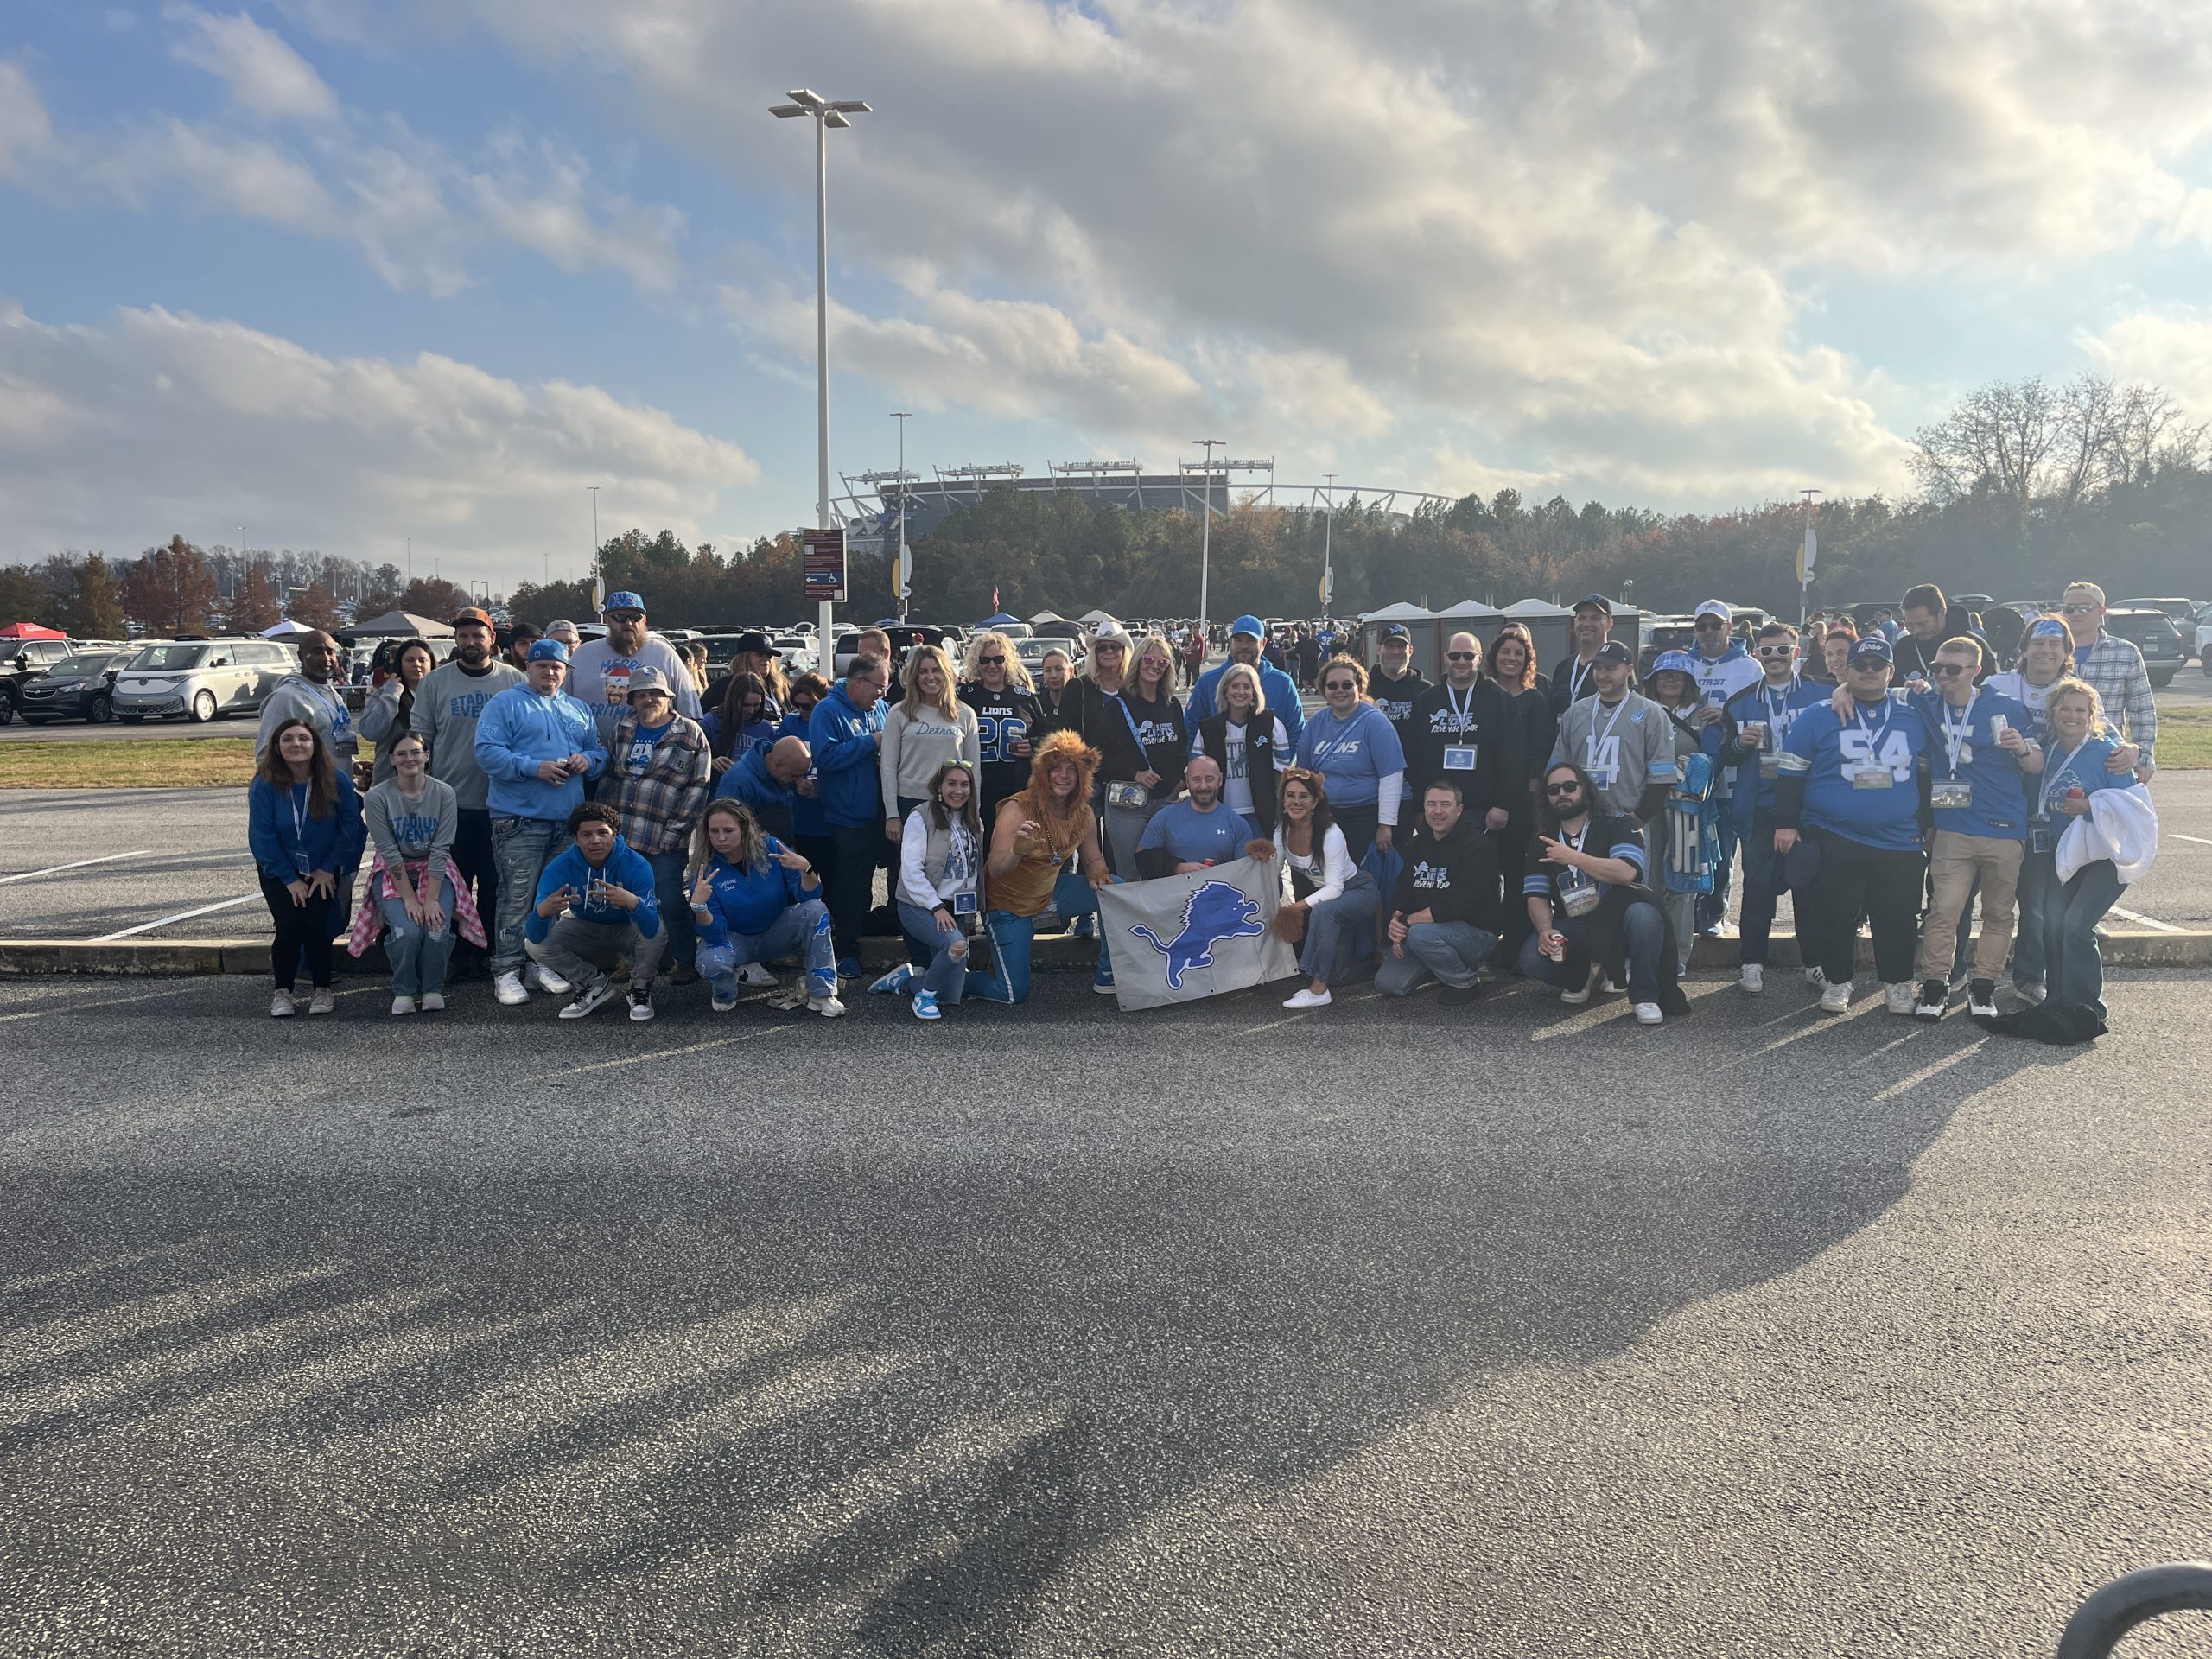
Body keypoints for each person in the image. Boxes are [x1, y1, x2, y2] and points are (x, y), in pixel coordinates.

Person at [1775, 635, 1931, 1015]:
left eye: (1878, 665)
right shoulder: (1819, 714)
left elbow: (1928, 774)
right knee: (1835, 914)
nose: (1869, 671)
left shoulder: (1915, 711)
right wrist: (1786, 823)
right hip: (1835, 831)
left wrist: (1929, 823)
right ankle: (1838, 981)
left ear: (1891, 671)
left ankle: (1897, 983)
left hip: (1900, 837)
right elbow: (1790, 771)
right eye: (1861, 665)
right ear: (1847, 670)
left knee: (1898, 915)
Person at [1993, 679, 2145, 1040]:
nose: (2072, 715)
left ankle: (2089, 1007)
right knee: (2053, 924)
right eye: (2065, 708)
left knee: (2076, 925)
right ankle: (2059, 1000)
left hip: (2102, 855)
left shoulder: (2109, 753)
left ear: (2092, 716)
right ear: (2053, 713)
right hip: (2061, 853)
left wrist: (2090, 805)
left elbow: (2133, 807)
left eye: (2080, 710)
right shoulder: (2045, 750)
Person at [1903, 636, 2041, 1021]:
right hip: (1953, 826)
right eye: (1937, 667)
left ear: (1976, 671)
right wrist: (1844, 689)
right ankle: (1935, 986)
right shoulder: (1927, 700)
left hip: (2003, 826)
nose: (1942, 675)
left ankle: (1984, 988)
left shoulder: (2006, 706)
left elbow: (2036, 765)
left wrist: (2022, 748)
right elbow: (1871, 688)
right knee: (1943, 911)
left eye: (1952, 669)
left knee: (1998, 914)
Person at [474, 637, 607, 1007]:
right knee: (516, 897)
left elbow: (599, 751)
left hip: (567, 821)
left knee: (553, 898)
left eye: (557, 666)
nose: (550, 671)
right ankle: (505, 970)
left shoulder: (578, 708)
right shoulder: (505, 704)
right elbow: (487, 753)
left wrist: (587, 760)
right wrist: (535, 768)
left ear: (566, 671)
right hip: (520, 819)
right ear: (528, 667)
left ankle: (539, 962)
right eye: (542, 665)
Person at [1518, 761, 1675, 1024]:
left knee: (1644, 916)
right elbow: (1536, 895)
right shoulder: (1542, 839)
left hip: (1619, 920)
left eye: (1570, 787)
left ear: (1586, 789)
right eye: (1553, 790)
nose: (1562, 793)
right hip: (1575, 923)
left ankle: (1645, 996)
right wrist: (1545, 930)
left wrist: (1574, 858)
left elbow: (1626, 872)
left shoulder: (1618, 823)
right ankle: (1584, 974)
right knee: (1531, 959)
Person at [410, 608, 520, 979]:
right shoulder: (435, 682)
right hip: (450, 803)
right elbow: (421, 740)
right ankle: (456, 956)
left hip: (501, 804)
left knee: (495, 885)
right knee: (452, 886)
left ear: (492, 638)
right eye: (463, 636)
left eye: (477, 635)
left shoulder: (513, 681)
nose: (470, 642)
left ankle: (489, 952)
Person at [1720, 621, 1830, 993]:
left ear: (1796, 653)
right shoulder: (1739, 702)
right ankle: (1751, 962)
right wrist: (1739, 744)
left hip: (1810, 807)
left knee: (1810, 890)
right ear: (1757, 654)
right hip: (1761, 806)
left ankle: (1815, 963)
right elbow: (1726, 755)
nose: (1775, 657)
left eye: (1783, 650)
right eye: (1766, 651)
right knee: (1758, 889)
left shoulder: (1823, 693)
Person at [973, 731, 1111, 1004]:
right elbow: (995, 870)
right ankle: (933, 982)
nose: (1063, 776)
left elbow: (1093, 859)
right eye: (1055, 768)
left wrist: (1099, 874)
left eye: (1072, 769)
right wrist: (1018, 850)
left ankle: (1108, 973)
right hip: (1009, 908)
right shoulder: (1017, 808)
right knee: (1011, 992)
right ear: (1042, 773)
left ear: (1082, 775)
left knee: (1117, 892)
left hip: (1048, 899)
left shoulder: (1084, 814)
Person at [600, 666, 712, 987]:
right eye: (642, 695)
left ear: (668, 697)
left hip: (665, 836)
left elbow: (699, 786)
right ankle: (638, 959)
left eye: (655, 694)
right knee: (629, 900)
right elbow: (610, 777)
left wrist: (675, 831)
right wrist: (607, 828)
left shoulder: (690, 733)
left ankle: (684, 959)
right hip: (625, 834)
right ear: (632, 700)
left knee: (671, 900)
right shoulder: (623, 727)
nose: (648, 699)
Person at [248, 716, 364, 1018]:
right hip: (280, 869)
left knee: (317, 926)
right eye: (287, 739)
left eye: (303, 738)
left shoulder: (335, 780)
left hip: (322, 867)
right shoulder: (264, 784)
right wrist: (290, 879)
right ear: (276, 747)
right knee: (289, 927)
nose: (296, 744)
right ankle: (282, 993)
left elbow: (349, 827)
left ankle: (322, 988)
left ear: (315, 745)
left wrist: (328, 868)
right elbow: (262, 836)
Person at [354, 730, 476, 1015]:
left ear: (426, 756)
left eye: (415, 752)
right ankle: (404, 989)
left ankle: (433, 987)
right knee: (406, 930)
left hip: (434, 868)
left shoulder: (444, 793)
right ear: (392, 760)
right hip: (393, 870)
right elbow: (389, 851)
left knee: (436, 928)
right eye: (402, 754)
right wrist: (409, 899)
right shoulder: (377, 797)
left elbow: (441, 849)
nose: (409, 758)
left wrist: (431, 899)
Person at [687, 798, 842, 1017]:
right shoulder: (705, 868)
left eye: (728, 830)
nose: (721, 838)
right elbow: (715, 934)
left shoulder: (771, 847)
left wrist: (807, 869)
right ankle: (724, 993)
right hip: (735, 939)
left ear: (744, 829)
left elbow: (809, 896)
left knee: (817, 910)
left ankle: (822, 993)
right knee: (712, 964)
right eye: (714, 831)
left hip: (776, 930)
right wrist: (699, 906)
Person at [523, 800, 665, 1021]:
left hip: (626, 927)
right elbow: (534, 936)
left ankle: (640, 987)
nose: (596, 840)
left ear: (615, 834)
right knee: (534, 945)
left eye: (602, 832)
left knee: (658, 932)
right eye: (586, 835)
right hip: (585, 927)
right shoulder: (558, 868)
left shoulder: (637, 865)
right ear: (576, 839)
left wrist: (633, 903)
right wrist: (541, 913)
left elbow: (651, 927)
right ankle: (593, 984)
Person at [874, 760, 995, 1020]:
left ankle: (904, 982)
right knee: (956, 946)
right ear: (939, 786)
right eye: (951, 784)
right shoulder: (921, 816)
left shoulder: (974, 820)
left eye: (964, 785)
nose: (958, 791)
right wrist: (936, 907)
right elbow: (911, 871)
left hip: (955, 907)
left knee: (950, 996)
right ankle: (924, 997)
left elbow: (973, 872)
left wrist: (970, 913)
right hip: (920, 905)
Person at [1071, 624, 1185, 879]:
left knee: (1164, 870)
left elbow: (1182, 748)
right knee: (1128, 873)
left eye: (1162, 662)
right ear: (1138, 661)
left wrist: (1180, 781)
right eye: (1149, 659)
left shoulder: (1172, 705)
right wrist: (1135, 774)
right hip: (1128, 803)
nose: (1155, 666)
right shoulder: (1118, 706)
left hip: (1166, 800)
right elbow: (1097, 757)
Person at [1376, 779, 1503, 1005]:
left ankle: (1464, 982)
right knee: (1389, 984)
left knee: (1420, 934)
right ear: (1424, 808)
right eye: (1431, 804)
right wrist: (1396, 918)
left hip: (1475, 933)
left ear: (1459, 809)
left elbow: (1458, 904)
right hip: (1425, 931)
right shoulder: (1416, 845)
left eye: (1445, 804)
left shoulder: (1478, 846)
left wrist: (1408, 922)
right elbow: (1404, 890)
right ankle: (1440, 967)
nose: (1437, 811)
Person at [808, 653, 890, 980]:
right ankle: (846, 951)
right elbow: (825, 757)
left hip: (884, 814)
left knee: (895, 880)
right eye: (879, 687)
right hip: (849, 817)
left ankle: (878, 932)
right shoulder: (827, 711)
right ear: (858, 682)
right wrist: (870, 743)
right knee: (852, 887)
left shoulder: (881, 709)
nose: (882, 694)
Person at [1685, 601, 1764, 934]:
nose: (1708, 632)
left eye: (1715, 625)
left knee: (1721, 850)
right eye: (1701, 626)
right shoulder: (1684, 663)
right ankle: (1686, 913)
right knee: (1688, 847)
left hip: (1730, 771)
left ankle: (1714, 913)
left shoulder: (1749, 668)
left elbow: (1760, 715)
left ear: (1730, 628)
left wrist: (1727, 718)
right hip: (1690, 772)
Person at [1275, 766, 1377, 1009]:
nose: (1296, 802)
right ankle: (1371, 961)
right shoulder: (1282, 829)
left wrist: (1294, 908)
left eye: (1303, 796)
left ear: (1315, 802)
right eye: (1290, 796)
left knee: (1322, 911)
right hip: (1332, 899)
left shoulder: (1330, 833)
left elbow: (1334, 889)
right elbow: (1272, 872)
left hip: (1358, 891)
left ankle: (1319, 990)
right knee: (1339, 975)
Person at [1485, 623, 1554, 964]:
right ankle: (1484, 942)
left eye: (1518, 653)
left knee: (1516, 877)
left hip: (1521, 804)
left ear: (1527, 660)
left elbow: (1539, 754)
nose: (1511, 658)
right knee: (1483, 875)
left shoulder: (1535, 700)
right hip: (1484, 798)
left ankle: (1514, 947)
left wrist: (1530, 804)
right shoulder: (1482, 697)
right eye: (1505, 652)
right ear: (1494, 656)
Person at [1548, 641, 1676, 824]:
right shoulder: (1575, 713)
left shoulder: (1651, 714)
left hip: (1627, 818)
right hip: (1579, 819)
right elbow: (1557, 768)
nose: (1602, 675)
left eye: (1610, 669)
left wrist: (1641, 817)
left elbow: (1662, 776)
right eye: (1598, 668)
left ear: (1629, 669)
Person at [1296, 656, 1408, 866]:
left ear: (1360, 687)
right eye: (1332, 686)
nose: (1340, 690)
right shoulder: (1316, 722)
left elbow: (1391, 776)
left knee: (1360, 878)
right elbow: (1303, 774)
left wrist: (1386, 825)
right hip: (1326, 815)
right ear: (1324, 690)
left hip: (1365, 817)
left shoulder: (1375, 722)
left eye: (1347, 685)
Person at [1405, 633, 1509, 843]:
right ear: (1445, 658)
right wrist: (1418, 808)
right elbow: (1413, 757)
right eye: (1455, 656)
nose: (1461, 661)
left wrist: (1502, 804)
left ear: (1480, 657)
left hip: (1484, 812)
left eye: (1468, 656)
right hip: (1437, 812)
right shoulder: (1426, 701)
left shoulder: (1499, 699)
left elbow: (1511, 756)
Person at [566, 591, 702, 746]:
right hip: (588, 755)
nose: (629, 623)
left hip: (655, 755)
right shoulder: (583, 655)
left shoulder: (664, 654)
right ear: (608, 620)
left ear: (644, 620)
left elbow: (690, 715)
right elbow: (561, 708)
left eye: (636, 617)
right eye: (620, 618)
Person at [2056, 581, 2158, 785]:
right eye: (2069, 609)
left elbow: (2142, 710)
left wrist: (2143, 758)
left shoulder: (2126, 652)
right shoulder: (2049, 652)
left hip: (2108, 758)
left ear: (2102, 611)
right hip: (2056, 755)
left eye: (2085, 608)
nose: (2076, 614)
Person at [880, 644, 982, 846]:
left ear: (946, 674)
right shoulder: (899, 713)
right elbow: (888, 767)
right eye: (923, 671)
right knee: (909, 863)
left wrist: (974, 811)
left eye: (936, 670)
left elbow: (973, 769)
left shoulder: (965, 714)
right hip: (909, 802)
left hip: (953, 802)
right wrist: (892, 814)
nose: (930, 677)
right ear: (914, 676)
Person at [1191, 662, 1290, 833]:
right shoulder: (1208, 729)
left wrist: (1280, 812)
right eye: (1235, 686)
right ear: (1225, 691)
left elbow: (1282, 773)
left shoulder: (1271, 724)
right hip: (1220, 812)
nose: (1240, 692)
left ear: (1254, 692)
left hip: (1260, 814)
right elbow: (1195, 772)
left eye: (1247, 687)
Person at [958, 631, 1044, 830]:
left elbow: (1047, 736)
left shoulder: (1025, 698)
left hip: (1016, 786)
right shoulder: (964, 696)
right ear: (976, 663)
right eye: (985, 660)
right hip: (977, 787)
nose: (992, 665)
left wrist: (1033, 746)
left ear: (1008, 662)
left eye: (998, 659)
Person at [1133, 753, 1265, 878]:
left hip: (1219, 893)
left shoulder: (1238, 824)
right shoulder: (1164, 818)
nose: (1203, 786)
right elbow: (1143, 859)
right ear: (1187, 781)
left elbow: (1244, 875)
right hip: (1175, 894)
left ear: (1220, 780)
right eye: (1196, 780)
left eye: (1209, 779)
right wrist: (1177, 867)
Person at [1186, 615, 1306, 747]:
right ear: (1231, 643)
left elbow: (1297, 733)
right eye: (1238, 640)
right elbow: (1191, 728)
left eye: (1251, 640)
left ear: (1263, 643)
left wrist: (1285, 760)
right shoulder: (1208, 682)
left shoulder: (1283, 683)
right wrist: (1198, 759)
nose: (1244, 646)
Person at [255, 630, 358, 772]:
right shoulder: (286, 698)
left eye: (330, 652)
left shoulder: (332, 693)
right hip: (311, 786)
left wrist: (351, 765)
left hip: (338, 783)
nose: (326, 658)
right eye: (317, 651)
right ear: (301, 656)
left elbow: (330, 741)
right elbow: (265, 755)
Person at [358, 639, 436, 787]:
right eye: (410, 660)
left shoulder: (440, 697)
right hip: (390, 783)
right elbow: (370, 732)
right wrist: (392, 694)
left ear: (431, 664)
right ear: (399, 663)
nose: (417, 664)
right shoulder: (385, 693)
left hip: (430, 784)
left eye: (422, 660)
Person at [716, 731, 811, 842]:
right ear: (777, 765)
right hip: (750, 848)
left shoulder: (781, 772)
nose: (799, 781)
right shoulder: (737, 782)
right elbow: (724, 831)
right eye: (794, 775)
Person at [1892, 583, 1982, 683]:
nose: (1917, 630)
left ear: (1942, 613)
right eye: (1910, 625)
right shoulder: (1903, 648)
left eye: (1922, 624)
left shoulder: (1973, 647)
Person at [1547, 595, 1616, 717]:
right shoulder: (1563, 668)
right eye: (1582, 618)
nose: (1587, 623)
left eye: (1595, 618)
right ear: (1575, 622)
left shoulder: (1616, 667)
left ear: (1609, 624)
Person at [702, 671, 776, 777]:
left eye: (756, 705)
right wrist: (711, 762)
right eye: (746, 705)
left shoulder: (765, 728)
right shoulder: (710, 722)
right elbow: (690, 758)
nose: (751, 711)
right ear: (732, 700)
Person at [728, 632, 789, 722]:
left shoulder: (782, 685)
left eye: (769, 655)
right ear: (744, 658)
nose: (766, 659)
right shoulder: (728, 686)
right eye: (760, 654)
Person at [1033, 647, 1077, 734]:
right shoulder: (1036, 702)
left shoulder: (1080, 702)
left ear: (1071, 672)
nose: (1053, 675)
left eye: (1059, 669)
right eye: (1048, 670)